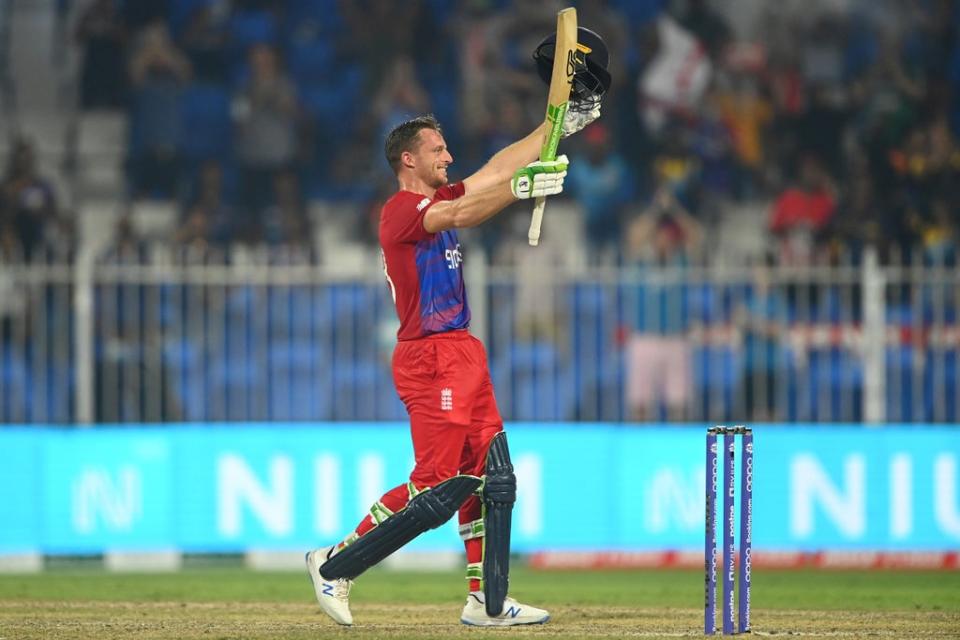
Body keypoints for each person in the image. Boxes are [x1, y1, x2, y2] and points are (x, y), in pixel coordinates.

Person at [305, 103, 598, 627]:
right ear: (408, 160)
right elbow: (468, 210)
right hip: (429, 357)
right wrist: (522, 191)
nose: (450, 156)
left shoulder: (439, 196)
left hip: (463, 349)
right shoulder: (400, 211)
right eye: (438, 150)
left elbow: (495, 170)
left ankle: (486, 603)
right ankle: (334, 565)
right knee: (436, 488)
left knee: (493, 475)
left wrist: (555, 127)